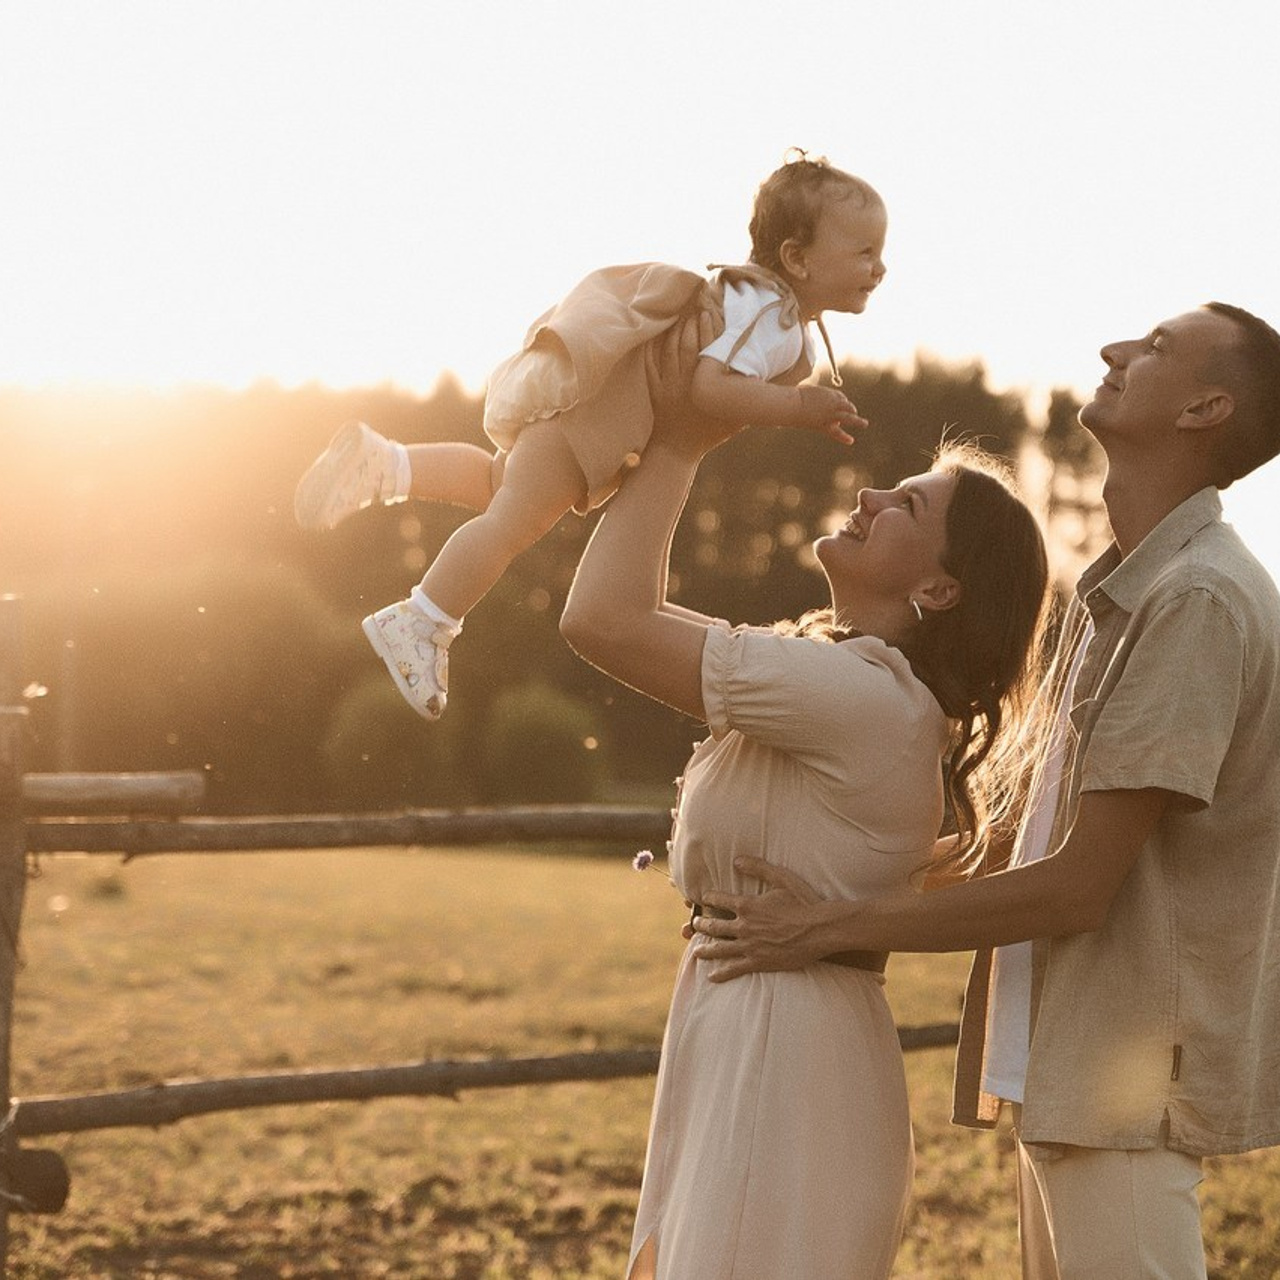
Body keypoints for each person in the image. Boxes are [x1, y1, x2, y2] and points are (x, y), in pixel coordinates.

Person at [689, 302, 1280, 1278]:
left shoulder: (1191, 603)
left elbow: (1074, 886)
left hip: (1121, 1089)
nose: (1113, 349)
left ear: (1204, 408)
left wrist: (824, 923)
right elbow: (1031, 840)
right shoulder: (1125, 592)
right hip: (1074, 1078)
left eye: (1157, 347)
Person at [558, 316, 1051, 1279]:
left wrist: (688, 437)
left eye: (906, 504)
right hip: (743, 1011)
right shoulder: (838, 672)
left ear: (942, 591)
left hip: (785, 1039)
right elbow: (635, 614)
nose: (869, 494)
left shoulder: (864, 697)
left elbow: (601, 619)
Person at [293, 152, 884, 719]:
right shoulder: (773, 317)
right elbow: (711, 387)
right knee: (513, 521)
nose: (878, 269)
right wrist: (798, 407)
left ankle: (386, 463)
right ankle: (424, 618)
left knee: (503, 483)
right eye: (864, 252)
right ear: (798, 259)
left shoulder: (758, 303)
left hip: (595, 402)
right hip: (603, 416)